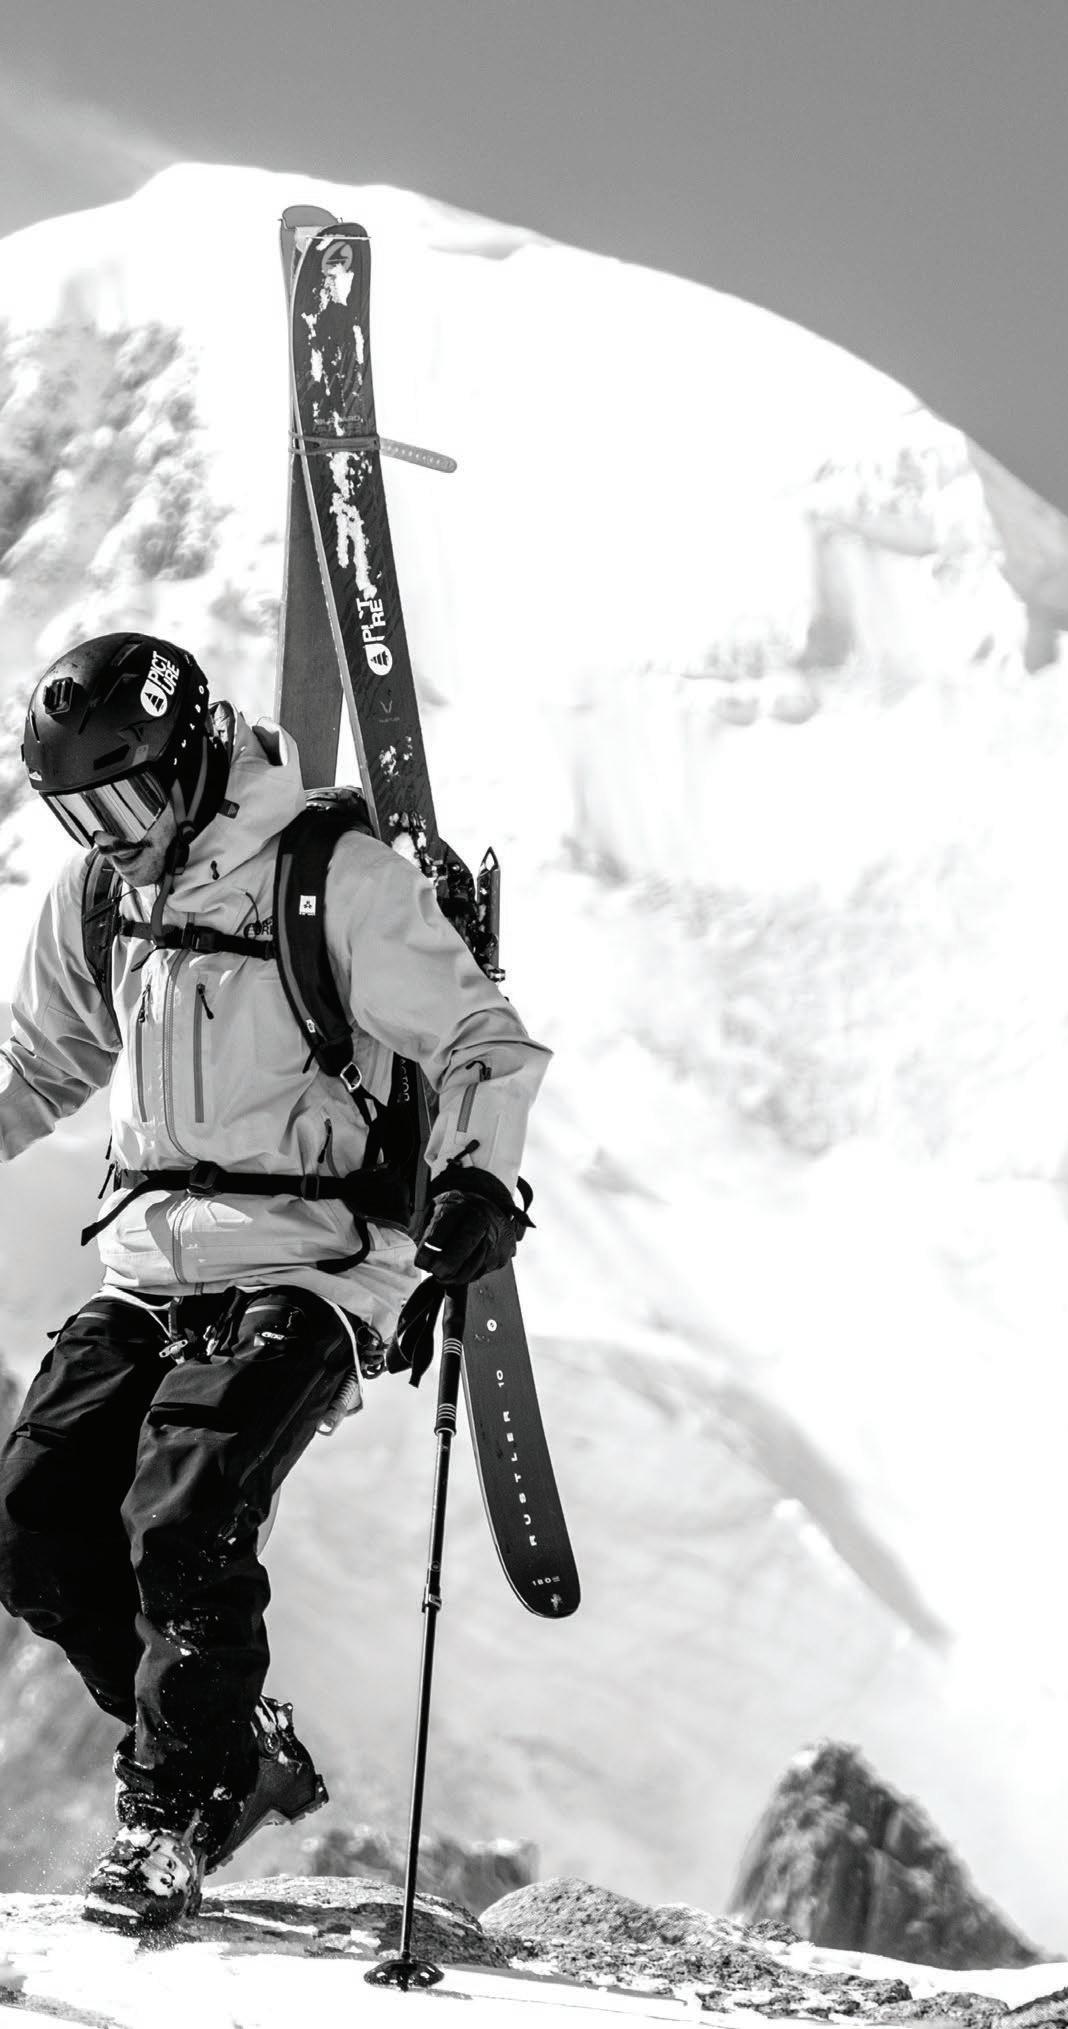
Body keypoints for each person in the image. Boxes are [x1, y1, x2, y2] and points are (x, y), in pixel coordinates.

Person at [0, 632, 550, 1929]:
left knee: (184, 1518)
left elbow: (479, 1040)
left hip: (312, 1262)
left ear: (192, 755)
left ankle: (171, 1813)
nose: (114, 836)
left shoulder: (331, 876)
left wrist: (476, 1182)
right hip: (149, 1264)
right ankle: (231, 1749)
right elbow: (42, 1059)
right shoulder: (103, 896)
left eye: (129, 801)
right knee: (33, 1526)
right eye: (84, 816)